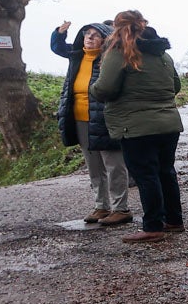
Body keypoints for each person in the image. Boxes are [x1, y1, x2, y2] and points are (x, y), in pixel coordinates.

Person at [91, 10, 184, 244]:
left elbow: (105, 89)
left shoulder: (119, 52)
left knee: (146, 175)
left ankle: (152, 227)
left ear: (116, 27)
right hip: (168, 123)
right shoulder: (162, 54)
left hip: (135, 126)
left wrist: (92, 89)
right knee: (166, 171)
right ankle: (174, 220)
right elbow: (175, 85)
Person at [53, 20, 133, 225]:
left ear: (105, 39)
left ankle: (120, 208)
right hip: (80, 119)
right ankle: (101, 206)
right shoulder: (77, 56)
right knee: (94, 166)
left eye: (95, 35)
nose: (89, 37)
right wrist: (59, 33)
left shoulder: (110, 58)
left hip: (105, 118)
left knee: (114, 164)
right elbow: (57, 47)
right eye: (87, 34)